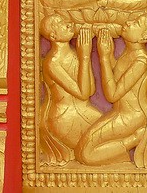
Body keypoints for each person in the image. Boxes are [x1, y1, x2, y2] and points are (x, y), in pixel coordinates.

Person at [76, 15, 147, 168]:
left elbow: (112, 95)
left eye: (136, 23)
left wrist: (104, 58)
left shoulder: (141, 61)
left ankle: (134, 139)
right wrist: (109, 54)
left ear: (143, 37)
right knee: (81, 150)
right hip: (121, 113)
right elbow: (116, 75)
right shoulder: (129, 53)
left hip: (134, 116)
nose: (128, 22)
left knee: (86, 155)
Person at [39, 17, 101, 164]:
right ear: (53, 36)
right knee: (106, 138)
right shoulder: (53, 62)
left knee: (113, 131)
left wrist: (84, 57)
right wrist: (85, 56)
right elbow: (82, 93)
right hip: (65, 118)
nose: (67, 24)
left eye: (65, 22)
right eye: (59, 23)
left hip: (83, 110)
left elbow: (90, 90)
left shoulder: (74, 54)